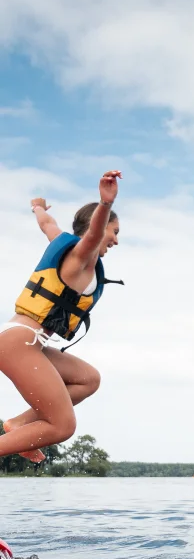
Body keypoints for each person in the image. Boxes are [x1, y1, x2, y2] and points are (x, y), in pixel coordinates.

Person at [0, 171, 123, 464]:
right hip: (20, 341)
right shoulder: (84, 255)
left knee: (88, 379)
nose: (116, 241)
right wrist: (106, 204)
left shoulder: (64, 245)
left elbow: (47, 225)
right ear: (100, 226)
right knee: (62, 426)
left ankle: (18, 425)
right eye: (114, 232)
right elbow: (93, 235)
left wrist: (38, 207)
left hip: (28, 340)